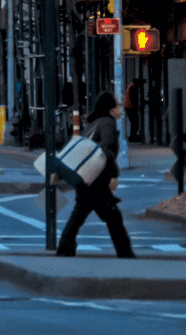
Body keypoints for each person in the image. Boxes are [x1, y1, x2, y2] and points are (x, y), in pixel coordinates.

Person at [55, 91, 135, 258]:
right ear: (111, 109)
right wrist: (113, 175)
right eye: (118, 105)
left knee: (79, 215)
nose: (120, 108)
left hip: (86, 177)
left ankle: (65, 248)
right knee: (113, 218)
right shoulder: (108, 124)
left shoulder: (94, 123)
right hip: (97, 180)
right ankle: (125, 253)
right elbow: (107, 151)